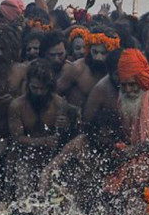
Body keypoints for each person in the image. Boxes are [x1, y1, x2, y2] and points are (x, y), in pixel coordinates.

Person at [8, 59, 79, 197]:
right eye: (35, 88)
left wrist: (67, 125)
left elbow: (69, 137)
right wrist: (42, 141)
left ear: (49, 86)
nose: (39, 93)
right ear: (28, 85)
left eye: (43, 88)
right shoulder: (17, 106)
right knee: (24, 198)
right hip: (26, 160)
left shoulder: (59, 103)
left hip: (51, 160)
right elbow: (16, 138)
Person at [57, 28, 120, 108]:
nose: (98, 57)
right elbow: (54, 94)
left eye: (104, 53)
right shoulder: (77, 68)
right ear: (89, 50)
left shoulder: (117, 73)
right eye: (95, 52)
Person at [116, 49, 149, 145]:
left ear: (141, 81)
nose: (127, 90)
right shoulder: (121, 100)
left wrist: (138, 150)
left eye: (132, 84)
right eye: (124, 85)